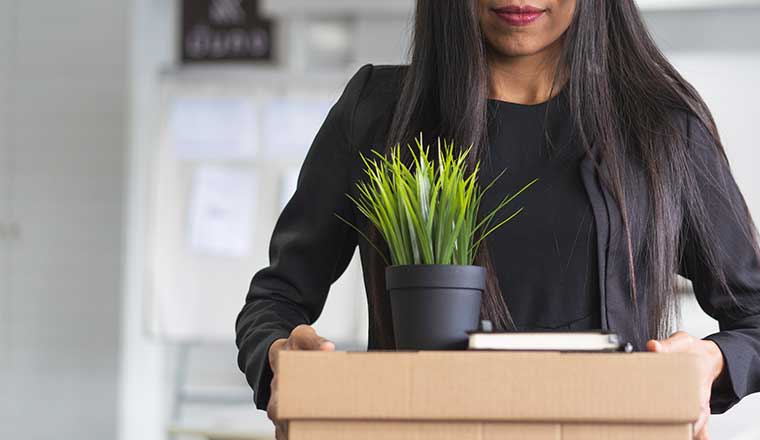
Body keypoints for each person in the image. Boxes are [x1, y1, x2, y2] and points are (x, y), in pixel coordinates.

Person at [235, 1, 760, 439]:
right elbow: (275, 301)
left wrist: (710, 361)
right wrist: (279, 356)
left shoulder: (661, 128)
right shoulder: (378, 113)